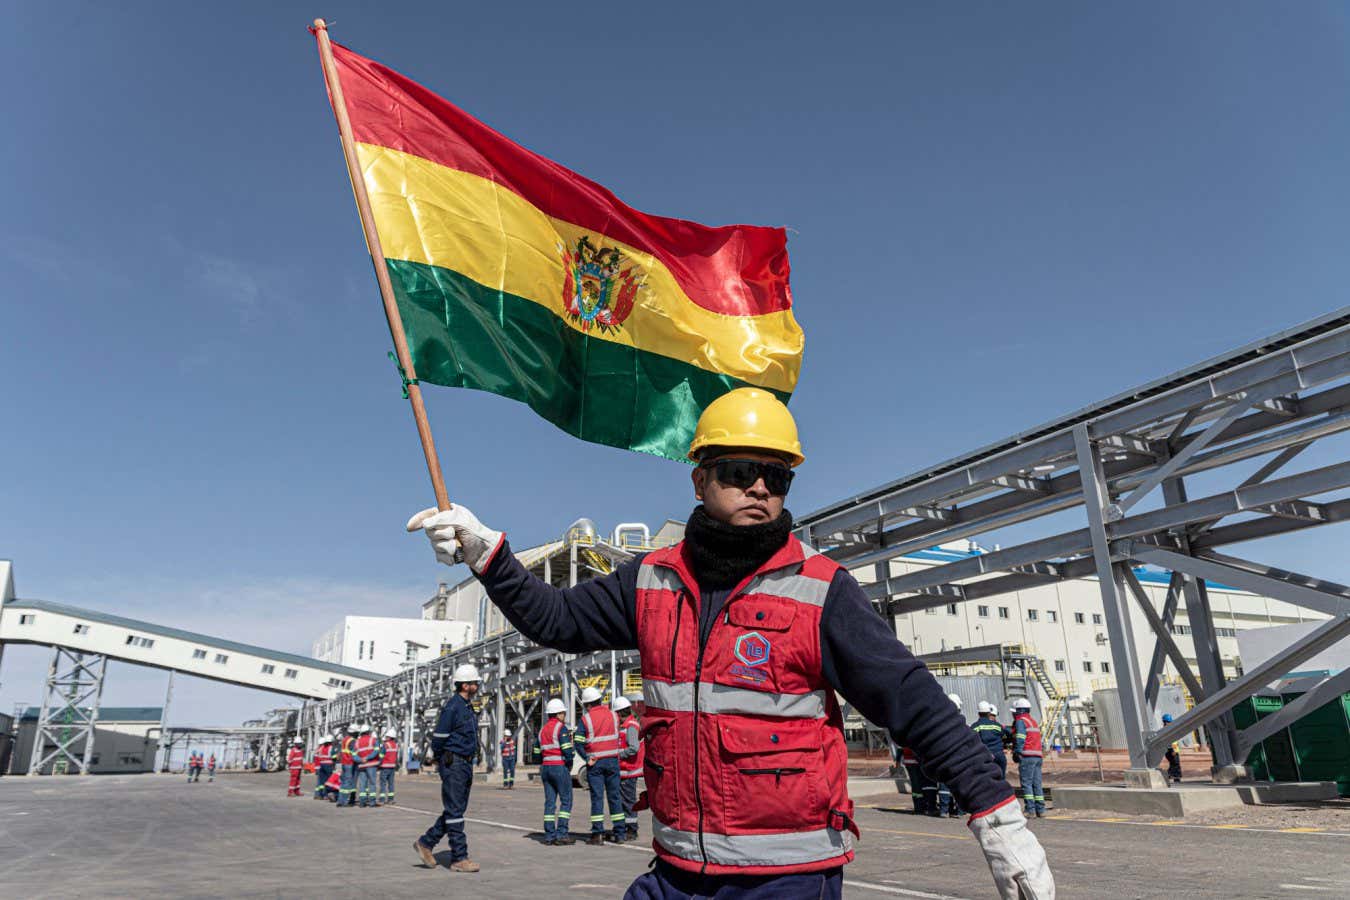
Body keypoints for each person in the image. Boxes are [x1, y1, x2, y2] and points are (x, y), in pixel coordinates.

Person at [407, 387, 1054, 899]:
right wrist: (485, 553)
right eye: (742, 470)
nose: (761, 487)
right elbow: (557, 620)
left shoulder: (819, 590)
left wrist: (997, 815)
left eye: (778, 476)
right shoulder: (651, 582)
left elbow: (914, 702)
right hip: (680, 873)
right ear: (700, 479)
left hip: (787, 881)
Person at [413, 663, 482, 873]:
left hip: (464, 762)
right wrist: (441, 758)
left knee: (455, 810)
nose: (477, 685)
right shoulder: (453, 706)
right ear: (464, 685)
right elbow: (440, 737)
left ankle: (426, 843)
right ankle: (459, 857)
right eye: (474, 683)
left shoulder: (467, 707)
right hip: (454, 763)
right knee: (455, 811)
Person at [574, 686, 625, 845]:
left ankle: (598, 834)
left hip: (595, 763)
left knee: (597, 798)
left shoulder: (586, 719)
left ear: (587, 704)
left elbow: (578, 742)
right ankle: (620, 834)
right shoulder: (614, 715)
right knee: (615, 797)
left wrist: (586, 757)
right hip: (612, 761)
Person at [536, 697, 576, 846]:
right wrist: (570, 763)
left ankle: (549, 836)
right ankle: (562, 834)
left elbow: (535, 751)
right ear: (558, 714)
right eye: (563, 713)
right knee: (566, 801)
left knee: (550, 803)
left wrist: (543, 761)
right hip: (559, 767)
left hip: (546, 768)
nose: (564, 716)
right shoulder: (561, 728)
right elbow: (567, 749)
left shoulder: (542, 730)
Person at [616, 693, 644, 842]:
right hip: (624, 771)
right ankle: (626, 828)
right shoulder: (624, 725)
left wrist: (619, 755)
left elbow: (633, 748)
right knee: (623, 802)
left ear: (620, 712)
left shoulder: (631, 726)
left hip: (629, 771)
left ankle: (632, 830)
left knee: (628, 803)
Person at [1011, 698, 1045, 818]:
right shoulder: (1033, 721)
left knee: (1027, 783)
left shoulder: (1021, 721)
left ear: (1019, 711)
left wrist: (1017, 752)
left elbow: (1020, 737)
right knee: (1037, 784)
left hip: (1027, 756)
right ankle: (1041, 809)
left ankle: (1030, 809)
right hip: (1038, 756)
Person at [935, 693, 964, 818]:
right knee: (959, 784)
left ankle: (944, 810)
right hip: (958, 757)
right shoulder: (960, 721)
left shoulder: (939, 720)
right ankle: (959, 811)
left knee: (944, 785)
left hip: (943, 757)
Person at [973, 702, 1007, 779]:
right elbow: (1005, 734)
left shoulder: (975, 726)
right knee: (1001, 780)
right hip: (999, 756)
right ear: (989, 713)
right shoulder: (997, 726)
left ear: (978, 713)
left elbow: (972, 741)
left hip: (985, 757)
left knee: (986, 780)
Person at [355, 723, 380, 808]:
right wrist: (368, 758)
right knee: (372, 783)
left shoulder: (357, 742)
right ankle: (372, 802)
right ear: (369, 732)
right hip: (371, 765)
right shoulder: (373, 740)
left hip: (362, 765)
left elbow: (354, 755)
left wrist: (361, 759)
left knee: (362, 784)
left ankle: (362, 802)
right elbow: (376, 751)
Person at [899, 745, 929, 815]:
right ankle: (920, 807)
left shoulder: (904, 737)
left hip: (909, 763)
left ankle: (918, 807)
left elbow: (900, 749)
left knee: (915, 786)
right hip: (916, 763)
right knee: (919, 786)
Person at [337, 724, 358, 808]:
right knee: (347, 783)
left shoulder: (344, 739)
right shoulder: (352, 740)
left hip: (344, 763)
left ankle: (340, 800)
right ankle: (344, 802)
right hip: (350, 762)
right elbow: (354, 753)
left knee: (343, 783)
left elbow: (342, 752)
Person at [380, 727, 400, 804]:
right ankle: (391, 799)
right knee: (391, 784)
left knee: (383, 783)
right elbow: (396, 756)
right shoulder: (395, 745)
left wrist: (379, 764)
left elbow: (381, 756)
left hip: (385, 767)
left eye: (387, 736)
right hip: (392, 767)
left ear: (389, 737)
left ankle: (382, 800)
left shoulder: (385, 745)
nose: (386, 738)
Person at [1162, 714, 1183, 785]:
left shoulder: (1167, 729)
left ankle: (1176, 777)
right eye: (1168, 722)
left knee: (1174, 764)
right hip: (1171, 750)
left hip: (1173, 749)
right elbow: (1172, 741)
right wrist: (1174, 750)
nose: (1168, 723)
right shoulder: (1167, 730)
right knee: (1175, 763)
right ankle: (1168, 775)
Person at [313, 734, 334, 800]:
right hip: (327, 766)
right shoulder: (330, 747)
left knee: (321, 782)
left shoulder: (320, 749)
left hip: (321, 766)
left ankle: (319, 794)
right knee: (327, 781)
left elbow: (318, 758)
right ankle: (324, 794)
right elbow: (333, 757)